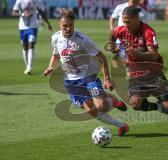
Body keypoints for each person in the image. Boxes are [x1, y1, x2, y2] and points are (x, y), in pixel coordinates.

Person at [110, 6, 168, 144]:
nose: (126, 25)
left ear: (137, 19)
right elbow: (113, 36)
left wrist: (139, 54)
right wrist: (115, 49)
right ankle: (158, 107)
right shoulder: (120, 30)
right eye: (124, 22)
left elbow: (155, 55)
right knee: (135, 104)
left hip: (154, 72)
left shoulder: (148, 31)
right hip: (136, 73)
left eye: (128, 22)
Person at [43, 8, 129, 136]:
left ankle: (113, 101)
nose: (68, 29)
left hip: (89, 77)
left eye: (71, 25)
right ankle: (122, 126)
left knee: (102, 106)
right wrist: (51, 66)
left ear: (74, 24)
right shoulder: (55, 38)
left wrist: (106, 78)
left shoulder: (82, 39)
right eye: (65, 26)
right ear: (59, 24)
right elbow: (56, 55)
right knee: (91, 110)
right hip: (71, 82)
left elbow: (101, 57)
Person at [12, 0, 52, 75]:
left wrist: (48, 23)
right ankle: (27, 66)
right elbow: (14, 12)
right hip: (22, 27)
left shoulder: (36, 1)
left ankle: (29, 67)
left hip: (33, 27)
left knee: (31, 45)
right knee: (25, 47)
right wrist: (23, 14)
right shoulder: (19, 1)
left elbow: (41, 12)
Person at [109, 0, 148, 68]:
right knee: (128, 63)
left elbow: (144, 27)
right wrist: (112, 28)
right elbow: (112, 18)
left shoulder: (142, 11)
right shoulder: (120, 7)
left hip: (134, 40)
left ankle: (118, 62)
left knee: (130, 63)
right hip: (121, 39)